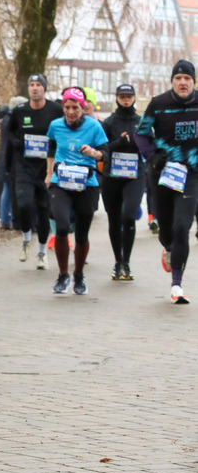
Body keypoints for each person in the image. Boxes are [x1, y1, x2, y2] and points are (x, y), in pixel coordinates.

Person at [135, 59, 198, 304]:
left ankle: (176, 285)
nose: (183, 83)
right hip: (163, 174)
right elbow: (141, 134)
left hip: (192, 173)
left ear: (193, 81)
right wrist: (151, 155)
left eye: (187, 79)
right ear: (172, 81)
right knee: (167, 231)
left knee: (183, 227)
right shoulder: (159, 104)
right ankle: (169, 248)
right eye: (178, 79)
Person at [46, 87, 107, 295]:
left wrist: (94, 152)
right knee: (61, 226)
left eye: (75, 107)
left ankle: (78, 275)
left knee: (82, 234)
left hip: (86, 184)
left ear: (83, 107)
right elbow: (51, 147)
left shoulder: (94, 126)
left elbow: (105, 153)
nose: (71, 112)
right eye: (67, 107)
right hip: (61, 182)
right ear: (62, 107)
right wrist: (48, 173)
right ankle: (63, 275)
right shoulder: (55, 125)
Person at [7, 74, 62, 270]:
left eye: (39, 85)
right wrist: (16, 143)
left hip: (46, 168)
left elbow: (62, 131)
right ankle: (26, 238)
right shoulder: (20, 110)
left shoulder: (55, 110)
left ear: (44, 88)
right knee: (24, 204)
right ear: (28, 89)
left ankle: (42, 253)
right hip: (24, 167)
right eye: (32, 85)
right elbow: (10, 130)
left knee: (44, 210)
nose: (35, 88)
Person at [98, 84, 145, 281]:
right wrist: (118, 143)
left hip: (134, 176)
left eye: (129, 96)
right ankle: (118, 262)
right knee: (114, 219)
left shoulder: (141, 122)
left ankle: (127, 261)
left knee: (128, 215)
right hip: (112, 177)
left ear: (134, 98)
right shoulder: (109, 122)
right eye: (122, 96)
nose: (126, 100)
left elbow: (149, 147)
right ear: (116, 98)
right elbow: (101, 150)